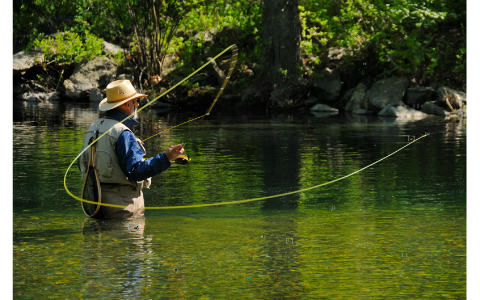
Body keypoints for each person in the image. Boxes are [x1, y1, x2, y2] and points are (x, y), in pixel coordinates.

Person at [79, 79, 184, 218]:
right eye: (137, 101)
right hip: (123, 208)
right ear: (128, 104)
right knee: (133, 235)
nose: (138, 105)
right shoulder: (123, 133)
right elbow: (136, 171)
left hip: (95, 205)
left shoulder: (93, 128)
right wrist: (166, 158)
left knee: (103, 239)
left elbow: (83, 164)